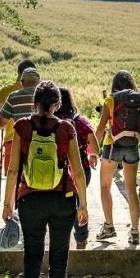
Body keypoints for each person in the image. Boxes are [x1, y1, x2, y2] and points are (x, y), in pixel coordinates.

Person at [2, 81, 88, 278]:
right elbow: (79, 172)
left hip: (30, 199)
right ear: (57, 104)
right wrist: (83, 204)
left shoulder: (22, 126)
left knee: (33, 250)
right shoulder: (66, 128)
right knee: (59, 259)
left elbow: (13, 169)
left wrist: (8, 204)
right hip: (63, 198)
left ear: (34, 103)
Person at [94, 70, 140, 245]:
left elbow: (101, 128)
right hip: (132, 148)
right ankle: (134, 232)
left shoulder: (110, 100)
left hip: (112, 147)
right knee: (131, 189)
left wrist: (91, 150)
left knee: (105, 186)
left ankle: (109, 227)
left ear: (115, 85)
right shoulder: (138, 101)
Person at [55, 87, 100, 249]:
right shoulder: (81, 121)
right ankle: (81, 240)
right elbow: (95, 149)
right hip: (81, 169)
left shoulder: (50, 121)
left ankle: (60, 242)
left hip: (57, 171)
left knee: (62, 205)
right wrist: (90, 154)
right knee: (79, 201)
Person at [0, 59, 37, 175]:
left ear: (19, 74)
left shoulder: (6, 92)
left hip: (11, 139)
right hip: (38, 140)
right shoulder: (42, 93)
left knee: (12, 177)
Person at [0, 66, 39, 137]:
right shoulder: (46, 95)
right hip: (42, 143)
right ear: (39, 82)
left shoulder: (13, 97)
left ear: (21, 82)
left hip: (18, 141)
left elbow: (1, 123)